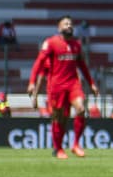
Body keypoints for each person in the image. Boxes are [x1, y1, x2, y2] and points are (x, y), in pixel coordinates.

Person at [26, 16, 98, 159]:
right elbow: (39, 62)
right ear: (59, 28)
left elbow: (82, 66)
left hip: (73, 84)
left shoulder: (77, 45)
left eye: (70, 24)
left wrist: (91, 83)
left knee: (81, 109)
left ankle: (76, 144)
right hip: (56, 87)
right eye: (65, 24)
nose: (69, 26)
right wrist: (32, 82)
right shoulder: (51, 43)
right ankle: (58, 148)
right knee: (60, 119)